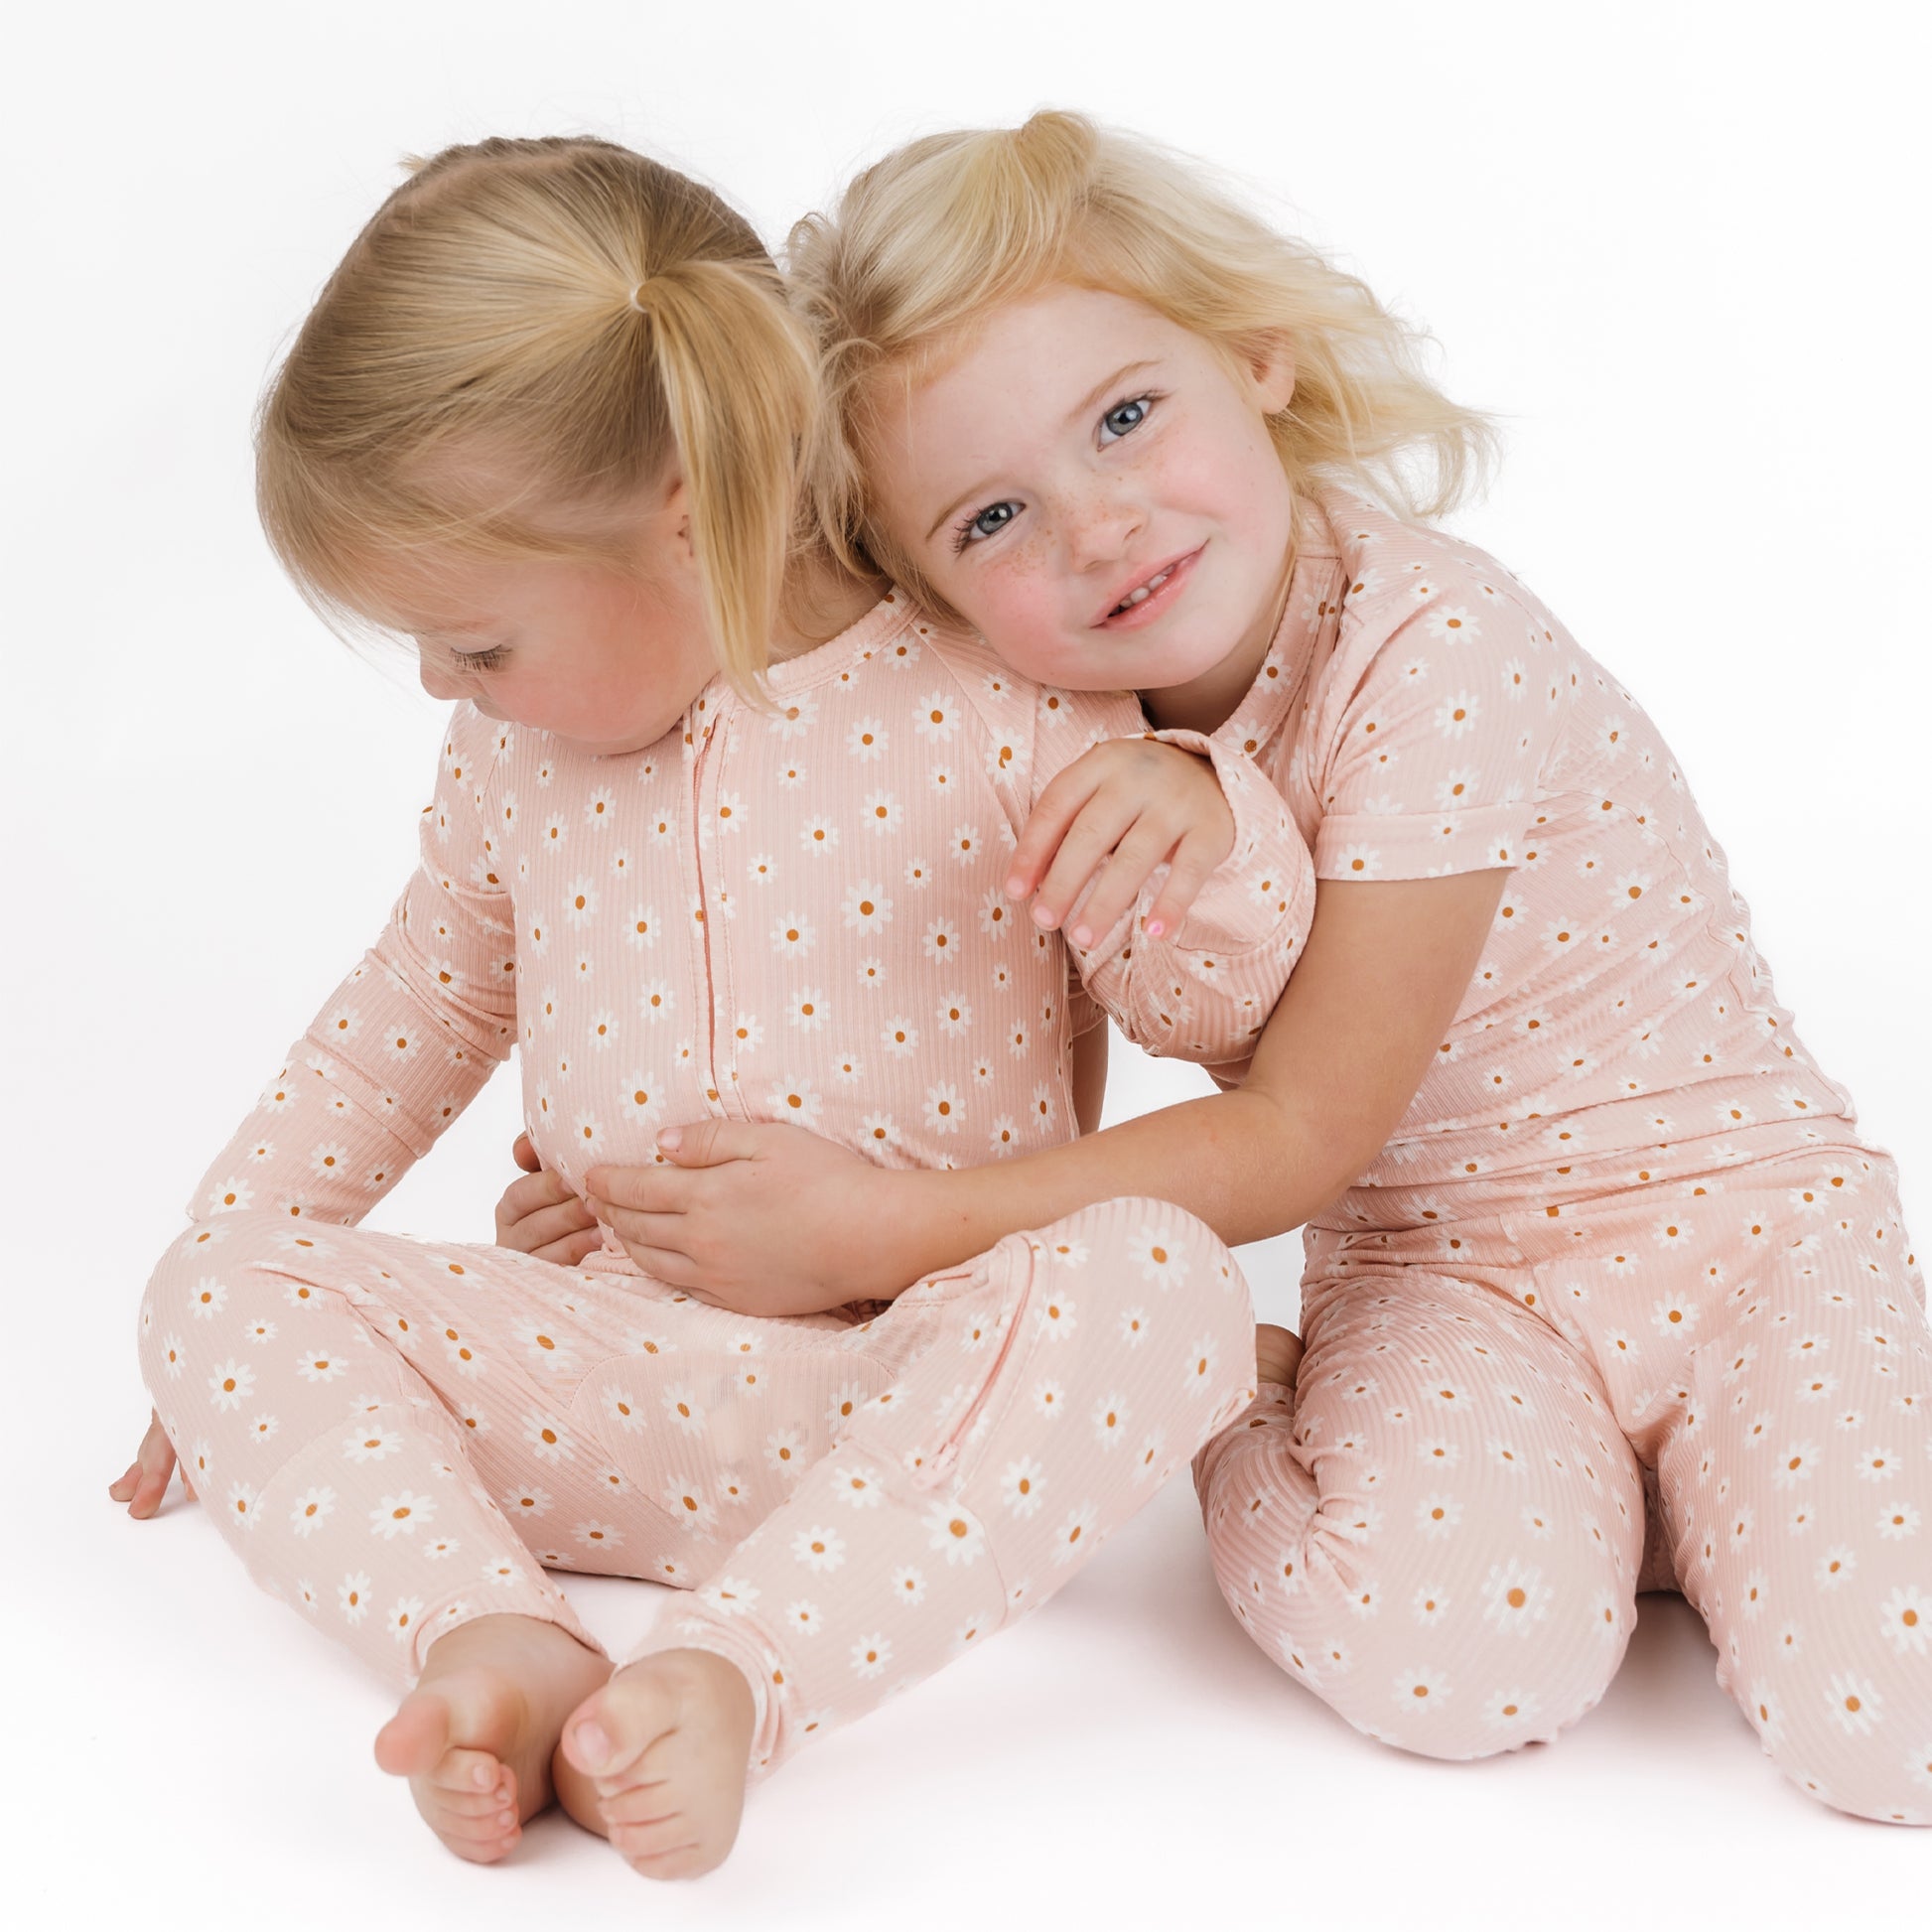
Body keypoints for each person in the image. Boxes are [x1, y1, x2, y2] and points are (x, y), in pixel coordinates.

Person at [523, 111, 1930, 1824]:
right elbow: (945, 1029)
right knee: (1463, 1665)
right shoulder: (1051, 726)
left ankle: (1721, 1487)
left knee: (1895, 1719)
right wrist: (638, 1178)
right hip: (1439, 1277)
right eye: (989, 519)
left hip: (1739, 1219)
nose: (1098, 532)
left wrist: (868, 1232)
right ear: (920, 592)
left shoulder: (1440, 647)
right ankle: (1235, 1402)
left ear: (1252, 353)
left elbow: (1295, 1137)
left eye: (1124, 418)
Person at [108, 132, 1317, 1876]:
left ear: (685, 509)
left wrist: (1205, 827)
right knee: (215, 1278)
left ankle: (734, 1675)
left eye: (478, 640)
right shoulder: (514, 767)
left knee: (1160, 1286)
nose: (450, 686)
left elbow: (1207, 1003)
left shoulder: (993, 693)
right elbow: (404, 1013)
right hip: (606, 1374)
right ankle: (487, 1630)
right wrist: (220, 1304)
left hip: (919, 1381)